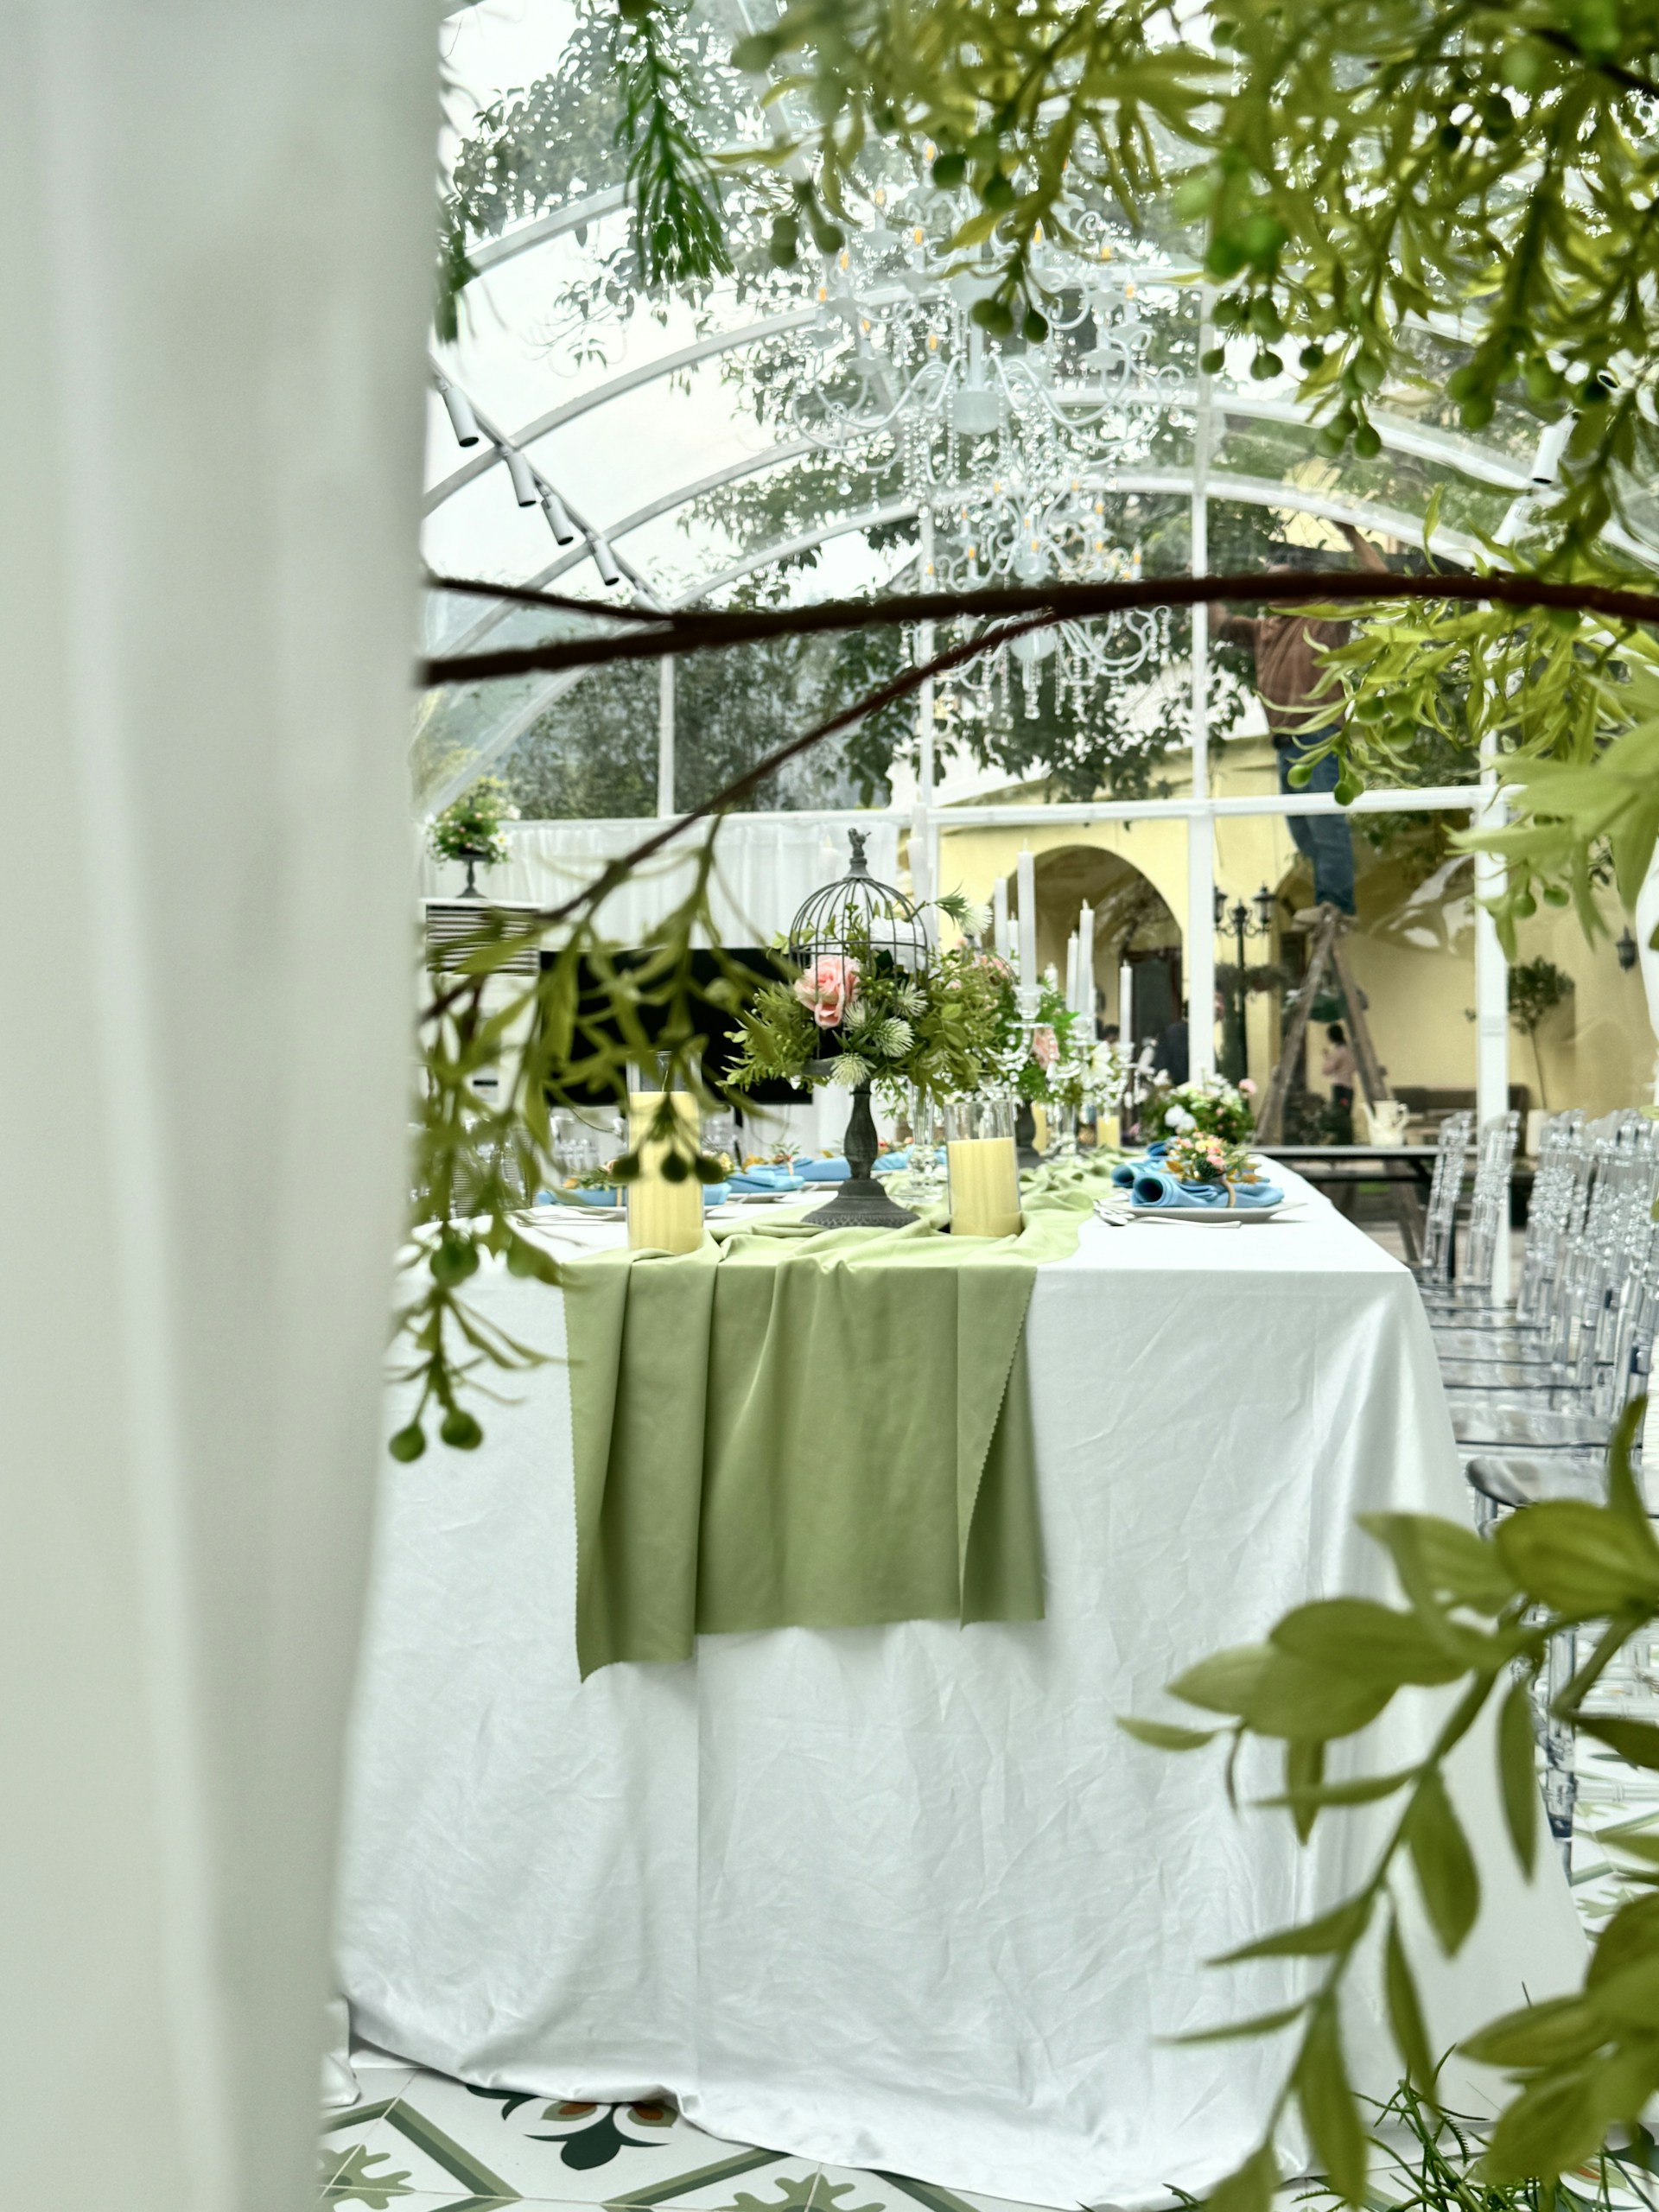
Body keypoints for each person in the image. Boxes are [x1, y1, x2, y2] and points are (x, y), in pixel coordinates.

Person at [1210, 523, 1388, 918]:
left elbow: (1379, 581)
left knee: (1325, 825)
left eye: (1277, 584)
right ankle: (1331, 901)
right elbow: (1219, 625)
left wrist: (1352, 534)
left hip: (1318, 736)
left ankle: (1337, 904)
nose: (1267, 593)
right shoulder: (1265, 629)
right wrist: (1200, 584)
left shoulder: (1324, 613)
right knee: (1303, 831)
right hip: (1286, 743)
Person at [1322, 1021, 1357, 1131]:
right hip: (1349, 1088)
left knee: (1339, 1117)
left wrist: (1327, 1057)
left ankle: (1341, 1143)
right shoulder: (1349, 1051)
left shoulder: (1338, 1052)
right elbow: (1354, 1067)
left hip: (1340, 1088)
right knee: (1346, 1116)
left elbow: (1327, 1070)